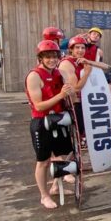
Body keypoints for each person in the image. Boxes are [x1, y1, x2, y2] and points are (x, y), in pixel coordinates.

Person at [25, 40, 75, 210]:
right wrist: (61, 95)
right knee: (43, 161)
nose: (52, 60)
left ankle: (55, 187)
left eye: (54, 56)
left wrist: (70, 92)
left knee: (62, 156)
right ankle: (44, 195)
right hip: (41, 122)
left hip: (59, 119)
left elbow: (70, 96)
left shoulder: (59, 73)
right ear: (41, 58)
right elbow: (39, 106)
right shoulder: (34, 76)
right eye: (48, 57)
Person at [58, 36, 93, 147]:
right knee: (79, 137)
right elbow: (75, 89)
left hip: (85, 101)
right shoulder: (67, 63)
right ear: (71, 49)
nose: (80, 50)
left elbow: (105, 66)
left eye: (83, 48)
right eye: (77, 47)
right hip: (75, 103)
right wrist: (87, 73)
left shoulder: (81, 61)